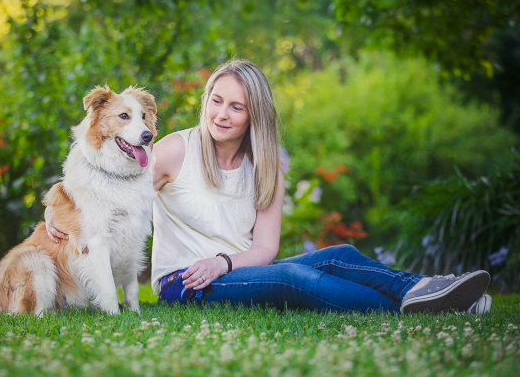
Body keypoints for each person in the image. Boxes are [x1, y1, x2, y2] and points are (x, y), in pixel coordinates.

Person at [47, 59, 491, 314]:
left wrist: (224, 262)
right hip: (183, 283)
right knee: (297, 277)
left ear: (253, 115)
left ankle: (427, 290)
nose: (222, 114)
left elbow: (265, 249)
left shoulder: (267, 166)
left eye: (236, 107)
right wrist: (54, 210)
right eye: (216, 101)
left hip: (234, 270)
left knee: (341, 255)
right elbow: (99, 181)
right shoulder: (173, 151)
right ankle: (429, 303)